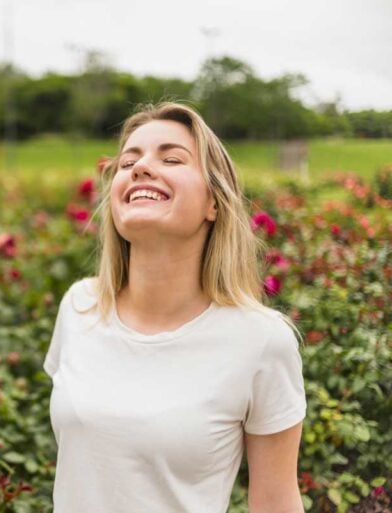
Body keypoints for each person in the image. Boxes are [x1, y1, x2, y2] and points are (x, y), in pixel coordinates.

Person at [43, 101, 307, 513]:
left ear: (213, 204)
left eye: (171, 158)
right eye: (129, 161)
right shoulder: (79, 308)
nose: (141, 168)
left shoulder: (262, 341)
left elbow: (276, 502)